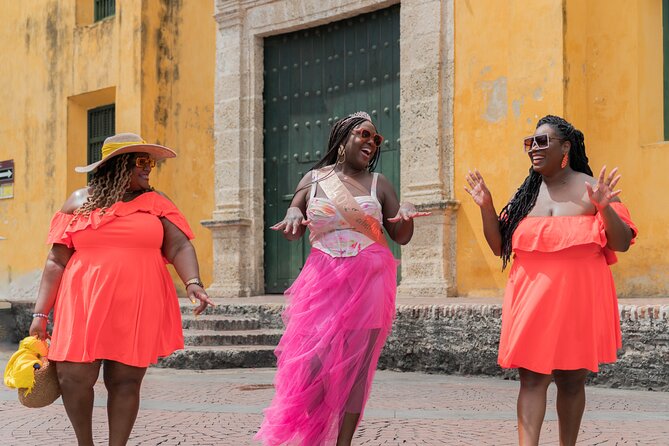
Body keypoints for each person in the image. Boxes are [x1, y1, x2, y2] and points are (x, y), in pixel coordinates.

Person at [29, 133, 215, 446]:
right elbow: (55, 262)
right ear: (118, 165)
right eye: (142, 162)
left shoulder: (157, 203)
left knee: (126, 381)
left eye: (150, 162)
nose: (149, 169)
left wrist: (193, 282)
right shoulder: (78, 202)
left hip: (137, 303)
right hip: (82, 303)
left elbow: (180, 244)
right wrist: (40, 313)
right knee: (72, 378)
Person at [255, 112, 429, 446]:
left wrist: (406, 211)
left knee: (357, 369)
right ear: (343, 137)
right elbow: (294, 226)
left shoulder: (380, 183)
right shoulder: (313, 180)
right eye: (364, 134)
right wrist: (293, 212)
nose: (371, 143)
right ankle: (314, 430)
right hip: (321, 281)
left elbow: (400, 235)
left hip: (370, 281)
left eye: (376, 139)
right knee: (312, 363)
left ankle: (343, 442)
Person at [464, 115, 637, 446]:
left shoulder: (592, 188)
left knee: (572, 382)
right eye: (530, 143)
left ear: (566, 147)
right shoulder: (526, 196)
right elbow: (500, 245)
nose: (534, 149)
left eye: (542, 142)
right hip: (531, 300)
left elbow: (621, 242)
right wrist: (486, 206)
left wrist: (604, 207)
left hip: (578, 300)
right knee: (530, 380)